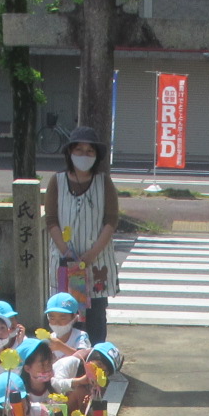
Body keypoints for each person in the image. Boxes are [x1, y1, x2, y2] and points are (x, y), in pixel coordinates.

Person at [44, 125, 119, 342]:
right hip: (65, 260)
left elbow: (111, 220)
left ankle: (95, 361)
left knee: (95, 313)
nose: (84, 155)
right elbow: (51, 220)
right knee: (64, 311)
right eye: (79, 150)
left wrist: (92, 253)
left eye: (90, 151)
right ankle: (64, 358)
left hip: (96, 263)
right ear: (70, 152)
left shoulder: (103, 182)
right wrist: (66, 250)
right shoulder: (56, 181)